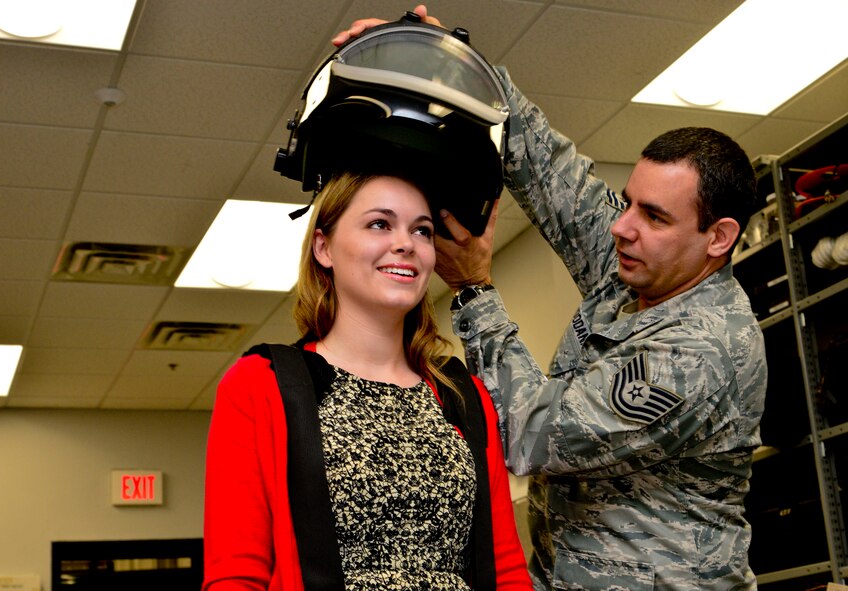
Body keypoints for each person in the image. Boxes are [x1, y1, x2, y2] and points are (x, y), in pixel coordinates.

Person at [335, 6, 767, 591]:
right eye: (629, 202)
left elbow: (532, 436)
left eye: (655, 215)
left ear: (718, 238)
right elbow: (546, 167)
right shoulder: (640, 264)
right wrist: (444, 60)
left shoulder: (703, 350)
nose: (623, 226)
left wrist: (474, 291)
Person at [202, 170, 532, 591]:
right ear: (324, 247)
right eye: (380, 223)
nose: (405, 243)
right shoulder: (262, 383)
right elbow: (236, 574)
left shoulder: (462, 393)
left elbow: (504, 567)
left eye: (422, 230)